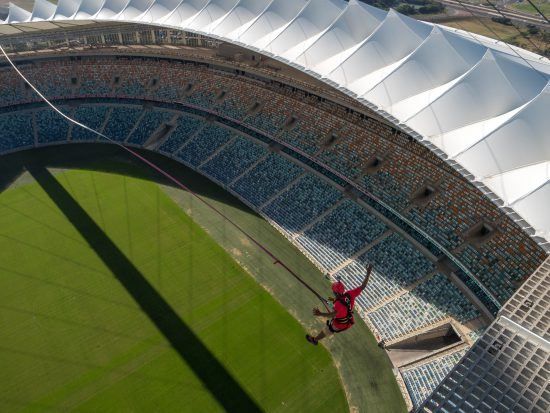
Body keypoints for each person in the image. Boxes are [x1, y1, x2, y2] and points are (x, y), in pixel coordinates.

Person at [306, 264, 373, 345]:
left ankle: (315, 340)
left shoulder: (338, 304)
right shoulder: (349, 294)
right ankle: (315, 339)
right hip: (347, 318)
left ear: (336, 292)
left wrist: (320, 313)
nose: (333, 292)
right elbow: (363, 286)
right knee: (329, 325)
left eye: (333, 291)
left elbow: (332, 314)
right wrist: (368, 273)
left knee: (329, 329)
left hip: (341, 324)